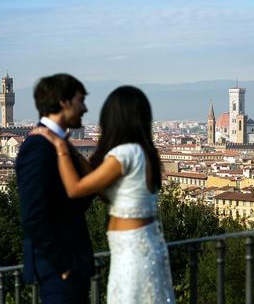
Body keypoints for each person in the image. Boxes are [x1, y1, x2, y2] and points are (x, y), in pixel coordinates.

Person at [32, 85, 175, 303]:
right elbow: (104, 191)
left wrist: (61, 147)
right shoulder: (143, 152)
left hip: (132, 250)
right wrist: (74, 151)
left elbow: (76, 189)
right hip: (139, 245)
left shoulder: (125, 154)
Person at [16, 74, 95, 304]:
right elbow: (32, 216)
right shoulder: (38, 146)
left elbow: (79, 198)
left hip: (71, 267)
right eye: (81, 100)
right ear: (64, 102)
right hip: (59, 272)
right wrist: (62, 265)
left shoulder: (57, 143)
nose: (85, 108)